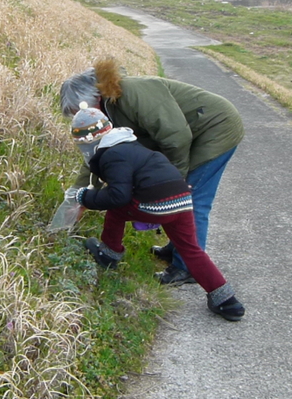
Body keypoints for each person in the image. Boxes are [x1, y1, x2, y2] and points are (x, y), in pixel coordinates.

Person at [60, 58, 244, 285]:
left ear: (94, 98)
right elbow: (96, 158)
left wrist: (177, 181)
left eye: (81, 111)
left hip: (215, 128)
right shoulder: (106, 112)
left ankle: (186, 267)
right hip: (191, 133)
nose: (83, 119)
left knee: (190, 199)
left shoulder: (132, 94)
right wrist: (79, 197)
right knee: (178, 198)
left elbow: (176, 138)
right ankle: (176, 248)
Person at [70, 102, 244, 321]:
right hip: (182, 199)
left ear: (89, 141)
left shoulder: (112, 155)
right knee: (191, 249)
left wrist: (84, 197)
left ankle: (109, 253)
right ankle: (226, 301)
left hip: (157, 204)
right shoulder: (133, 146)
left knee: (117, 210)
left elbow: (118, 196)